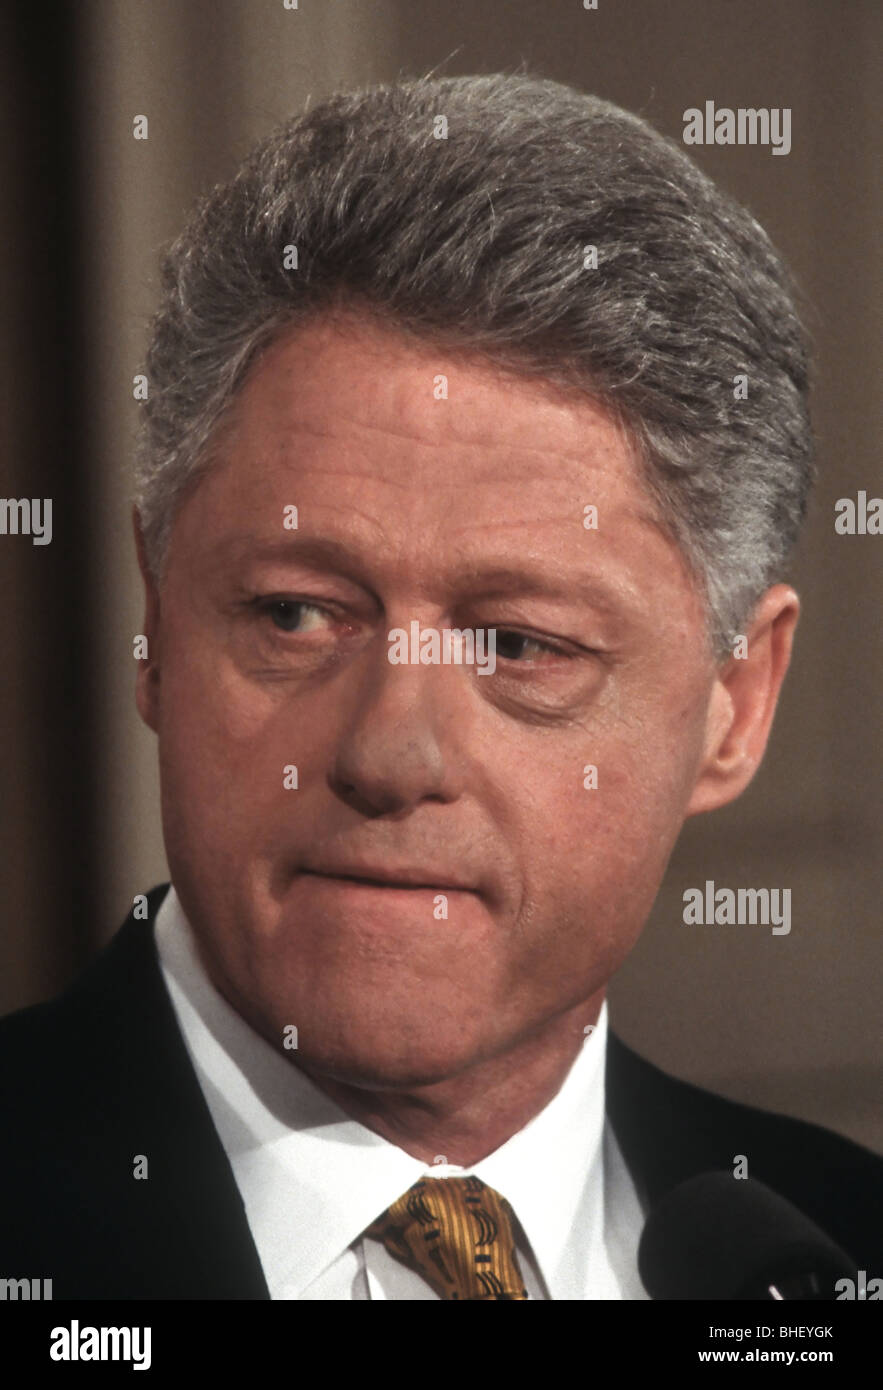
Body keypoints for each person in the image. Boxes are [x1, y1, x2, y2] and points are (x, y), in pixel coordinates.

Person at [1, 73, 880, 1301]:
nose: (389, 752)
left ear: (736, 701)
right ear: (153, 624)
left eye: (518, 645)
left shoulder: (837, 1260)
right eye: (297, 615)